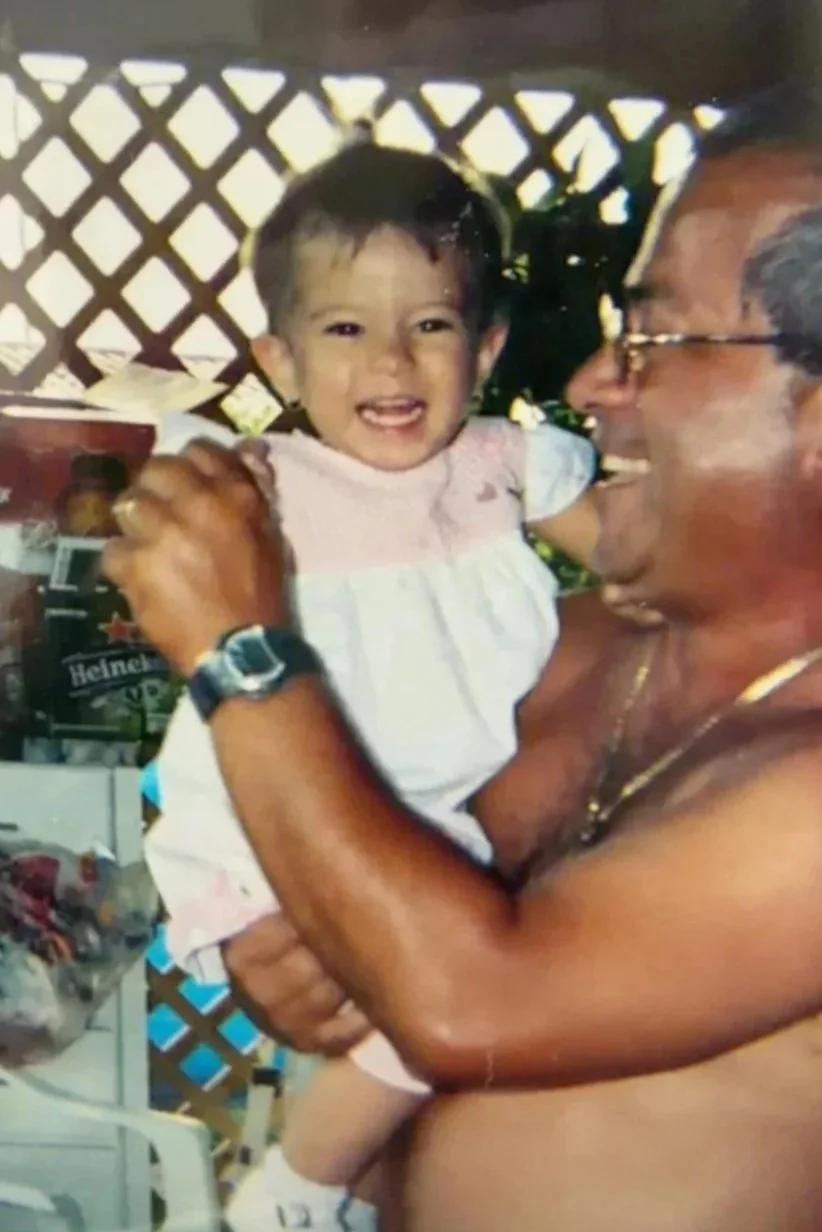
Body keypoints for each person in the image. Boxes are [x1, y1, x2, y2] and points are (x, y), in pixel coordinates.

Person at [105, 94, 822, 1232]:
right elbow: (373, 884)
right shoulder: (566, 646)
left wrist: (245, 652)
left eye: (653, 336)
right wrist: (296, 960)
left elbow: (467, 999)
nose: (591, 381)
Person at [143, 141, 599, 1232]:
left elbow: (639, 557)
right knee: (407, 1000)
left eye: (431, 325)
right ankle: (295, 1190)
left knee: (430, 1006)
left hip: (440, 823)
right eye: (344, 329)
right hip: (291, 813)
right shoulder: (266, 485)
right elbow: (170, 568)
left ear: (485, 347)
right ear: (282, 359)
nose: (391, 362)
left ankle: (316, 1181)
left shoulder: (504, 464)